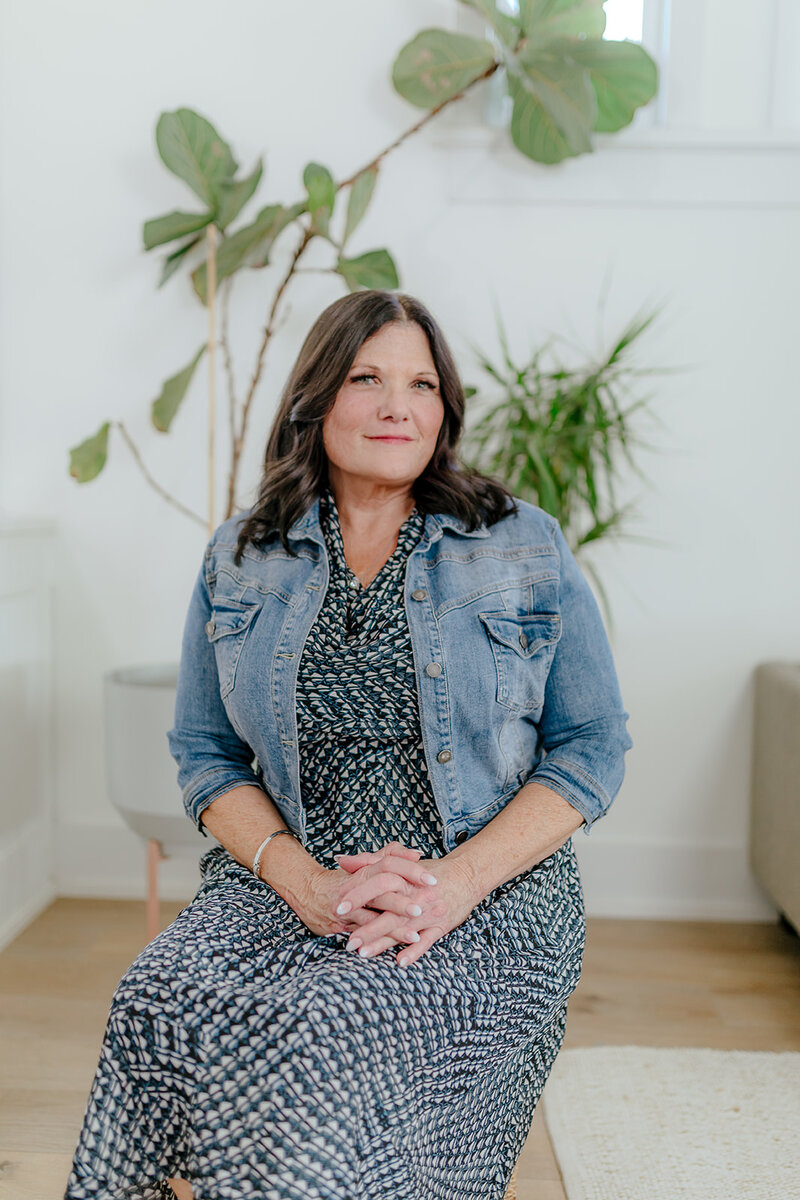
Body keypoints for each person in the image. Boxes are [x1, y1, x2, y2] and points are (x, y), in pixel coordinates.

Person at [64, 289, 633, 1200]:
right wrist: (310, 886)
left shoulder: (520, 545)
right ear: (319, 396)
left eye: (421, 384)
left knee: (326, 1035)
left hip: (482, 895)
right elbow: (205, 754)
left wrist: (449, 888)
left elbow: (593, 744)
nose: (396, 405)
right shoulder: (241, 556)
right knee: (154, 1002)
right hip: (288, 881)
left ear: (444, 409)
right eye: (368, 378)